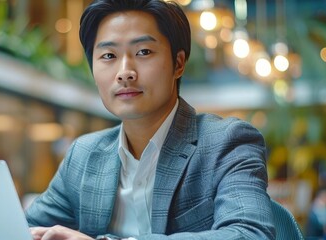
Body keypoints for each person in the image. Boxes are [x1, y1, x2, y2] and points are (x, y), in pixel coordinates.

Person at [26, 0, 275, 239]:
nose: (125, 72)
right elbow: (24, 229)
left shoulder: (226, 142)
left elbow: (250, 234)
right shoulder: (84, 155)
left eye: (143, 52)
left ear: (178, 64)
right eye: (109, 56)